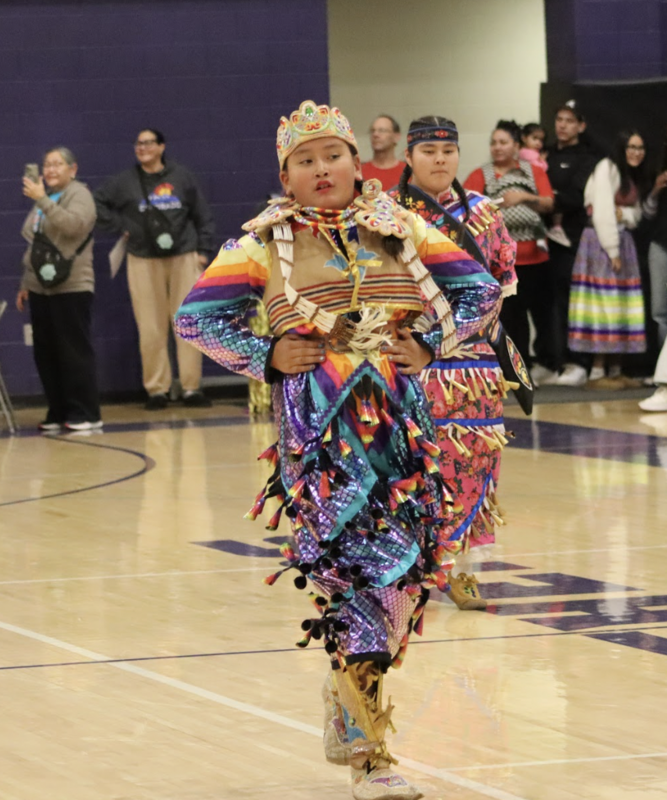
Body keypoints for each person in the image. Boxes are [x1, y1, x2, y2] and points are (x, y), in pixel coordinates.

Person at [175, 100, 500, 800]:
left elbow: (477, 289)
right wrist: (265, 353)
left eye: (332, 156)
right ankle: (373, 758)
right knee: (355, 584)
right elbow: (195, 318)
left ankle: (346, 703)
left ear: (357, 162)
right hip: (322, 453)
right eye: (304, 161)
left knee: (400, 588)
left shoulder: (401, 227)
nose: (321, 170)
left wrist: (432, 343)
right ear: (284, 175)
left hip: (405, 446)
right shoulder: (263, 243)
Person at [390, 115, 518, 610]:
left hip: (473, 363)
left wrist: (462, 334)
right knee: (413, 465)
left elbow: (501, 286)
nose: (440, 159)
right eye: (428, 151)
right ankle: (410, 569)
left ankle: (462, 570)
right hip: (408, 358)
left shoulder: (484, 215)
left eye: (448, 150)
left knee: (475, 463)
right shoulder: (388, 214)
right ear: (409, 157)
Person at [94, 129, 215, 410]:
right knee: (150, 326)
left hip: (184, 256)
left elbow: (202, 214)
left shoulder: (182, 177)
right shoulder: (125, 182)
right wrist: (122, 227)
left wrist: (203, 251)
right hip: (142, 258)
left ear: (161, 147)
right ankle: (157, 390)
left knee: (187, 323)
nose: (142, 148)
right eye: (138, 143)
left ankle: (191, 388)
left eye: (148, 143)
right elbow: (97, 203)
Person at [16, 147, 102, 432]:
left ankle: (86, 412)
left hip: (72, 286)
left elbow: (73, 226)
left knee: (73, 351)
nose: (50, 170)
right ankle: (59, 409)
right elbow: (36, 243)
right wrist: (25, 284)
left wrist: (42, 200)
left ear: (72, 169)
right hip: (40, 286)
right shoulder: (44, 198)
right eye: (47, 164)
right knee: (46, 351)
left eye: (57, 164)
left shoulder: (80, 194)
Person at [464, 120, 555, 383]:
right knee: (511, 318)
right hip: (501, 263)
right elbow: (465, 207)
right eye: (493, 142)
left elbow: (549, 203)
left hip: (536, 258)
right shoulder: (482, 174)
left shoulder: (531, 170)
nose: (497, 147)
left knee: (540, 315)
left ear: (516, 146)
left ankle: (544, 365)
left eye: (503, 142)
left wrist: (523, 197)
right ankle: (513, 369)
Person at [568, 131, 649, 387]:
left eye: (640, 147)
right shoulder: (607, 168)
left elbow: (635, 214)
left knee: (620, 305)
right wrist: (612, 249)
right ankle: (598, 369)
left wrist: (623, 214)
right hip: (602, 244)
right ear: (621, 148)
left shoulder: (628, 174)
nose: (636, 152)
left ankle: (616, 369)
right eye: (632, 147)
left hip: (623, 240)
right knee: (603, 303)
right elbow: (602, 212)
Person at [546, 100, 603, 386]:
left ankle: (579, 362)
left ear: (581, 125)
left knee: (573, 301)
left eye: (569, 120)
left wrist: (544, 199)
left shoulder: (587, 158)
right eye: (559, 119)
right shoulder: (544, 155)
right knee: (548, 303)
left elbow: (575, 196)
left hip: (575, 240)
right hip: (544, 241)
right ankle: (553, 361)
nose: (562, 125)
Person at [361, 115, 406, 191]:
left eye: (382, 130)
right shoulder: (360, 173)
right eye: (373, 131)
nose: (375, 134)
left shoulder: (407, 173)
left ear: (396, 137)